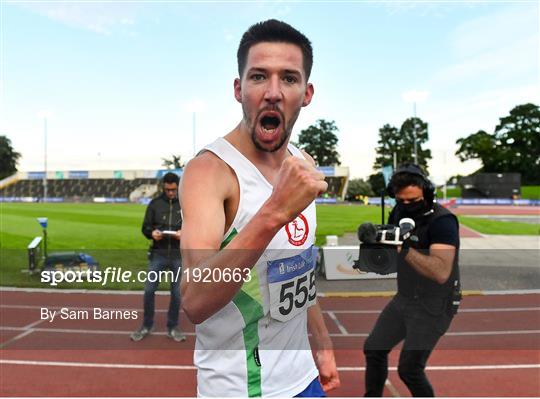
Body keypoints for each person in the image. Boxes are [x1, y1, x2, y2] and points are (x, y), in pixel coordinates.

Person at [179, 19, 340, 397]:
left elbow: (299, 266)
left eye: (288, 78)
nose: (272, 92)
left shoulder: (304, 164)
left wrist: (324, 341)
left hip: (304, 380)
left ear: (307, 92)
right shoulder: (210, 172)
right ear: (238, 89)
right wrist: (272, 214)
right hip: (241, 388)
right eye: (258, 77)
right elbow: (194, 301)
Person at [363, 164, 461, 397]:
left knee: (409, 369)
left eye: (413, 201)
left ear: (427, 193)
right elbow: (387, 260)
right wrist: (373, 243)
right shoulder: (398, 212)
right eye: (401, 201)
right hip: (405, 297)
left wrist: (403, 249)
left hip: (434, 304)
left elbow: (441, 272)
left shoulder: (443, 221)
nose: (407, 207)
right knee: (374, 348)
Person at [131, 172, 185, 342]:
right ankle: (147, 325)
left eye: (174, 190)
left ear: (178, 187)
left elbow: (194, 226)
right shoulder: (154, 204)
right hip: (158, 254)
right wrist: (151, 233)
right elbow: (145, 228)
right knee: (149, 290)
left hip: (178, 254)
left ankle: (172, 326)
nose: (171, 193)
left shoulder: (185, 204)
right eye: (168, 190)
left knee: (177, 293)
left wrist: (184, 233)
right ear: (163, 187)